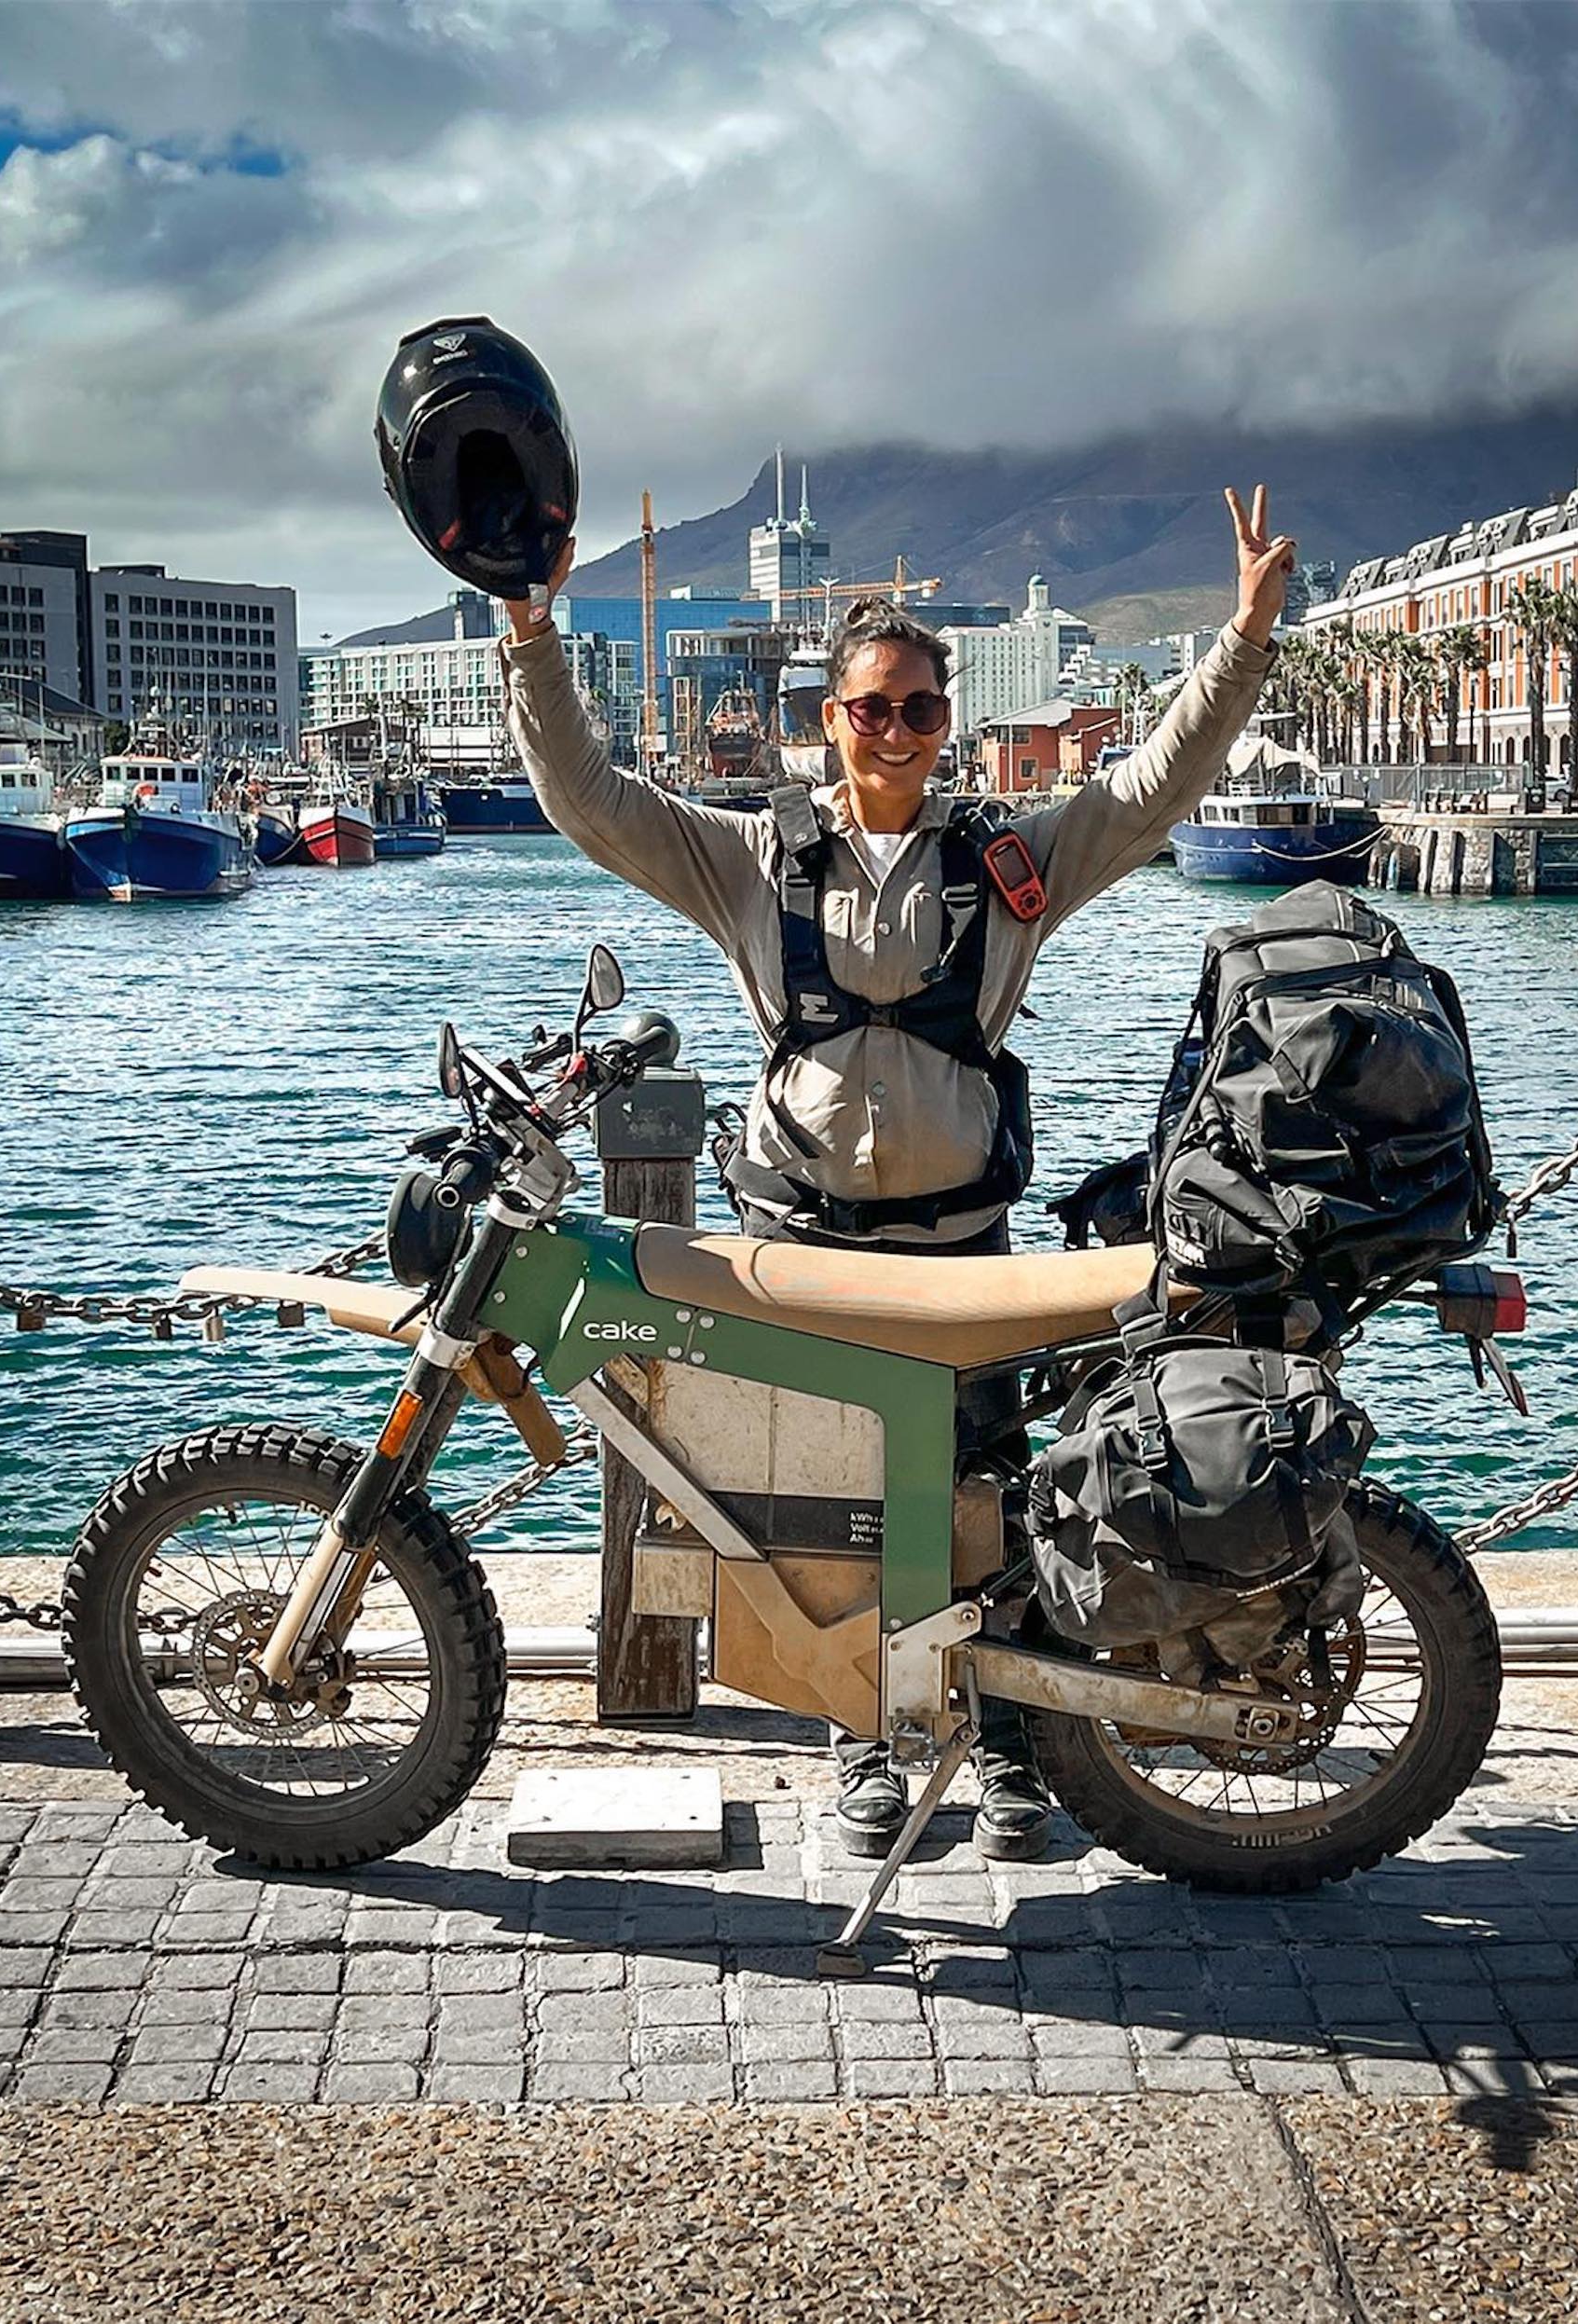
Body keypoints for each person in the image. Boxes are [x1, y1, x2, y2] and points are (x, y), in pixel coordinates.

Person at [501, 488, 1291, 1861]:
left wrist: (1243, 637)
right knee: (835, 1501)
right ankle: (866, 1744)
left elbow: (1155, 782)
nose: (898, 731)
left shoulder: (1009, 864)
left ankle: (1007, 1756)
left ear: (948, 725)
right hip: (806, 1241)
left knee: (991, 1491)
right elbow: (590, 801)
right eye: (873, 707)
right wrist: (530, 630)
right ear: (832, 719)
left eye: (922, 710)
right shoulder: (753, 858)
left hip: (960, 1248)